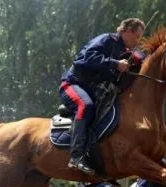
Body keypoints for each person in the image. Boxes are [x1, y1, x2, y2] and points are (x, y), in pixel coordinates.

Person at [59, 18, 145, 175]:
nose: (138, 41)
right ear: (127, 31)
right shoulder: (107, 39)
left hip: (93, 90)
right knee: (85, 106)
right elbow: (86, 58)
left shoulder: (125, 50)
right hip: (72, 84)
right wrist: (115, 63)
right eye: (137, 36)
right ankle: (76, 156)